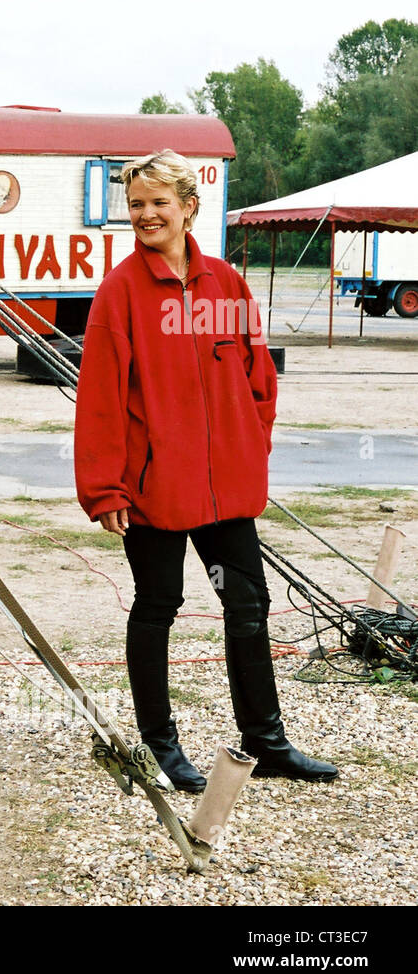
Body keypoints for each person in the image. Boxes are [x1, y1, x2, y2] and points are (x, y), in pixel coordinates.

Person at [74, 149, 337, 791]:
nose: (145, 214)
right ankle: (160, 746)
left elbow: (258, 376)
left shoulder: (226, 283)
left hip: (227, 491)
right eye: (136, 204)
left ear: (189, 207)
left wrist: (250, 442)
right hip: (155, 490)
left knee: (246, 603)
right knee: (158, 604)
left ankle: (266, 741)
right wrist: (105, 487)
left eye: (159, 202)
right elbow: (102, 398)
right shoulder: (121, 292)